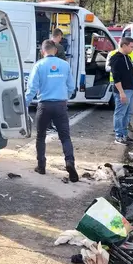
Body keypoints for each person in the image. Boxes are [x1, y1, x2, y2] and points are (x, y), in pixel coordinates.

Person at [25, 40, 79, 182]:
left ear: (43, 52)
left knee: (40, 136)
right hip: (61, 105)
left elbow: (31, 89)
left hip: (44, 106)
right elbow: (71, 87)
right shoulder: (65, 65)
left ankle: (41, 166)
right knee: (65, 137)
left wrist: (24, 105)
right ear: (55, 50)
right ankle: (69, 163)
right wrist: (65, 97)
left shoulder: (38, 65)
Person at [109, 37, 133, 145]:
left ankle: (124, 134)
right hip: (123, 90)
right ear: (124, 45)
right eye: (131, 47)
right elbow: (116, 77)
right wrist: (121, 92)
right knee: (120, 113)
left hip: (130, 89)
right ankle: (118, 135)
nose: (132, 49)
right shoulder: (115, 58)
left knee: (128, 113)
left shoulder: (127, 57)